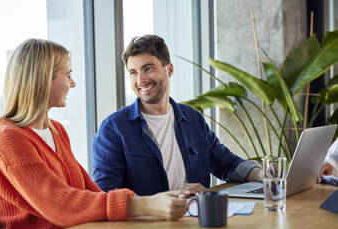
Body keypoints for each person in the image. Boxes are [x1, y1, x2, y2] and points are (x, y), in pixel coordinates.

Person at [0, 39, 188, 229]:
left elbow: (88, 191)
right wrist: (146, 205)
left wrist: (157, 203)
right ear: (43, 79)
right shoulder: (8, 138)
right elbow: (60, 204)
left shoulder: (56, 130)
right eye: (68, 75)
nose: (72, 84)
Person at [92, 34, 263, 196]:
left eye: (148, 69)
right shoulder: (113, 128)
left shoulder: (193, 119)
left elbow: (226, 164)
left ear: (170, 69)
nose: (141, 80)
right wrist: (165, 200)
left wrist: (262, 174)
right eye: (133, 72)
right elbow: (106, 195)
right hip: (145, 225)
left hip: (196, 219)